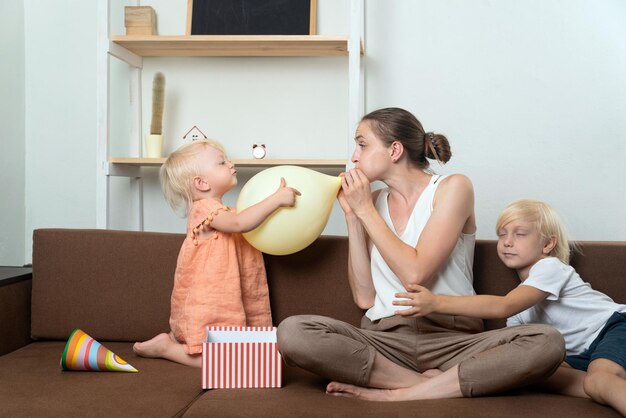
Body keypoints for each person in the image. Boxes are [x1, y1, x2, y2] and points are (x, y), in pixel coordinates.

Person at [277, 107, 565, 400]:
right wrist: (354, 217)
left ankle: (396, 393)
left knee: (546, 342)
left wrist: (365, 210)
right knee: (293, 332)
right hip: (386, 342)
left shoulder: (453, 188)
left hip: (453, 342)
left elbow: (415, 273)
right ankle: (421, 384)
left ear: (395, 150)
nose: (354, 156)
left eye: (362, 145)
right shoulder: (372, 201)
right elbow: (365, 298)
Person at [392, 199, 626, 414]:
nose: (507, 242)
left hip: (614, 326)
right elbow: (508, 354)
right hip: (581, 354)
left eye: (520, 234)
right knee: (529, 371)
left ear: (548, 243)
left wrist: (436, 302)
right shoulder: (521, 311)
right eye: (501, 234)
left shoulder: (550, 267)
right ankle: (608, 387)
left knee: (597, 380)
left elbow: (504, 306)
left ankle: (604, 384)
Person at [134, 139, 300, 367]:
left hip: (228, 302)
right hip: (211, 305)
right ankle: (167, 348)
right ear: (201, 183)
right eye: (222, 162)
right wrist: (276, 200)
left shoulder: (223, 211)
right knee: (228, 362)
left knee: (252, 357)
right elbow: (241, 222)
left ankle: (174, 344)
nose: (230, 163)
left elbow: (246, 220)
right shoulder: (204, 209)